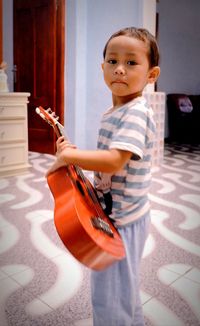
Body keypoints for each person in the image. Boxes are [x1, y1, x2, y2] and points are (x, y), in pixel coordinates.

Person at [47, 27, 160, 325]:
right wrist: (73, 151)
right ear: (103, 67)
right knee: (124, 291)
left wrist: (71, 156)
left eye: (132, 62)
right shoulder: (117, 111)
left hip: (124, 222)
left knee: (110, 298)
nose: (120, 69)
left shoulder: (136, 112)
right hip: (118, 215)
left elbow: (113, 162)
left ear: (152, 74)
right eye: (112, 61)